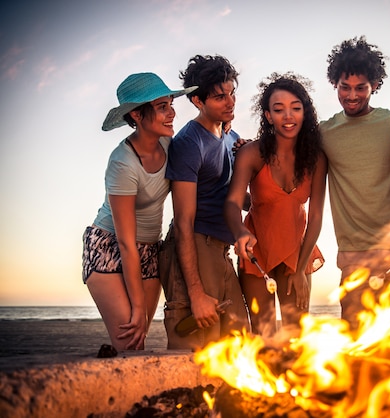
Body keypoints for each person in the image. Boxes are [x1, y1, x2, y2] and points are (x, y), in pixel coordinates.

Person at [82, 72, 195, 352]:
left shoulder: (172, 146)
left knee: (138, 340)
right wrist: (136, 307)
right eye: (162, 107)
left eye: (170, 104)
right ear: (136, 115)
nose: (172, 113)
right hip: (110, 246)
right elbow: (125, 243)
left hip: (148, 250)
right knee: (130, 340)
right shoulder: (123, 163)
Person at [320, 36, 390, 330]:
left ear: (374, 85)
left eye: (360, 88)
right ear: (335, 83)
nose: (352, 95)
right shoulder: (325, 132)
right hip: (353, 258)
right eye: (344, 87)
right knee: (359, 351)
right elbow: (286, 152)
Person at [224, 73, 327, 337]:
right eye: (279, 110)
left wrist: (302, 270)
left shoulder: (315, 158)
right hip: (257, 253)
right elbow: (233, 202)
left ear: (305, 112)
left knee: (296, 336)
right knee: (264, 335)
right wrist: (239, 232)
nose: (288, 116)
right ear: (268, 116)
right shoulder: (251, 153)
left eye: (295, 108)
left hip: (297, 253)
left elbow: (315, 217)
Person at [160, 54, 249, 350]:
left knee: (240, 341)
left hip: (223, 251)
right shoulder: (188, 143)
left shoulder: (230, 136)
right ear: (198, 101)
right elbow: (184, 222)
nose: (230, 102)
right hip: (195, 245)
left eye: (231, 92)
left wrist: (250, 163)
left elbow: (239, 200)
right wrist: (196, 293)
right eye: (219, 97)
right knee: (200, 349)